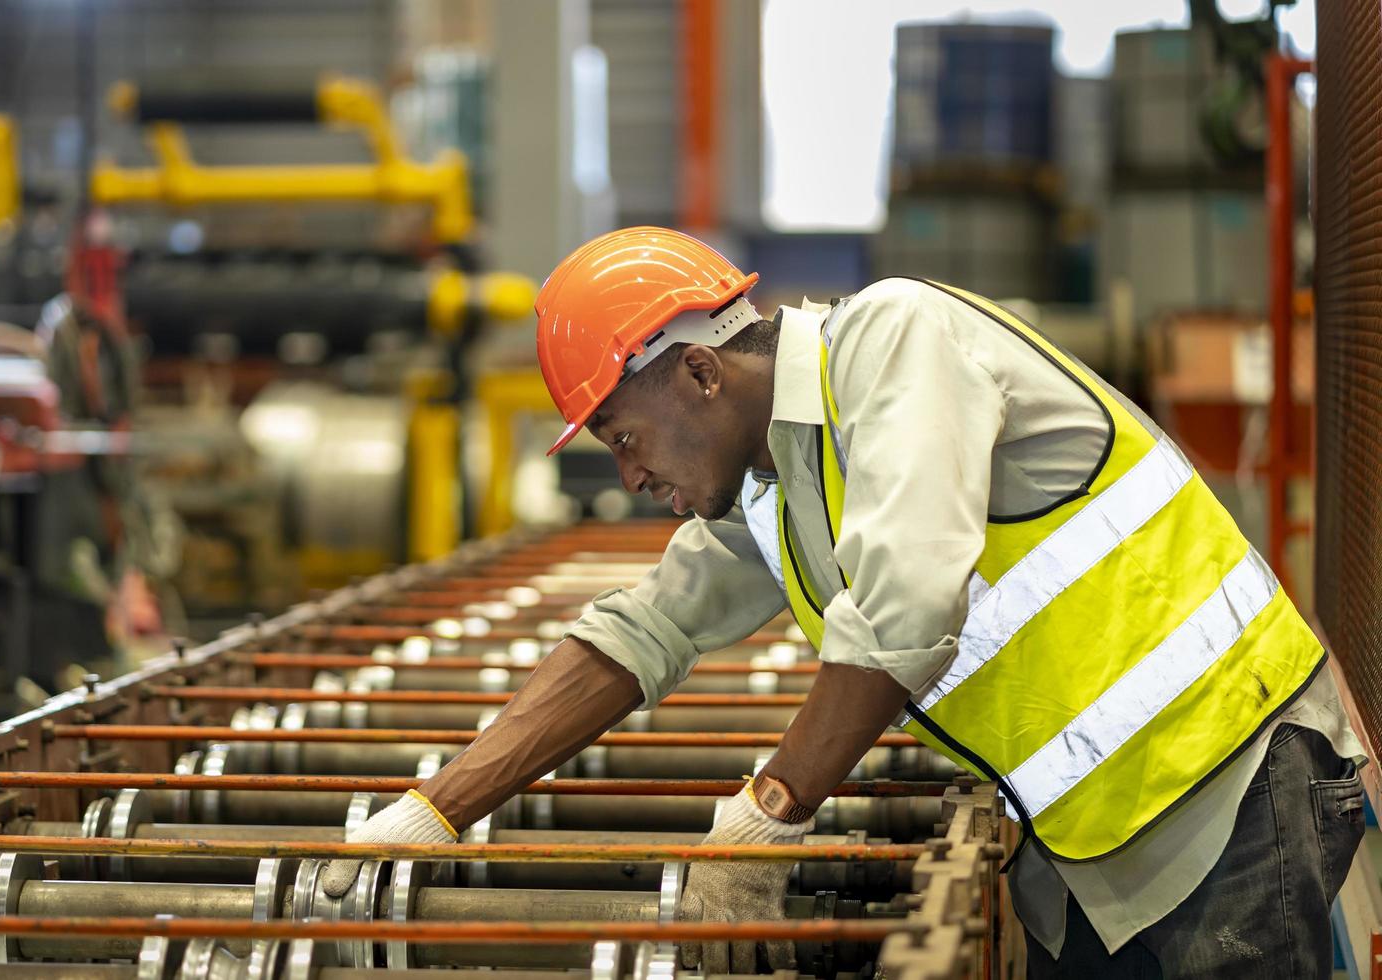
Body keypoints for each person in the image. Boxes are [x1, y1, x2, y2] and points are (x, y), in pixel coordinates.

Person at [322, 226, 1367, 978]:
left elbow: (909, 604)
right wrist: (434, 808)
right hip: (1094, 839)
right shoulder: (776, 479)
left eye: (624, 439)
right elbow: (645, 627)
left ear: (697, 371)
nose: (631, 478)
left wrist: (767, 811)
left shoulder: (897, 343)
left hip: (1229, 783)